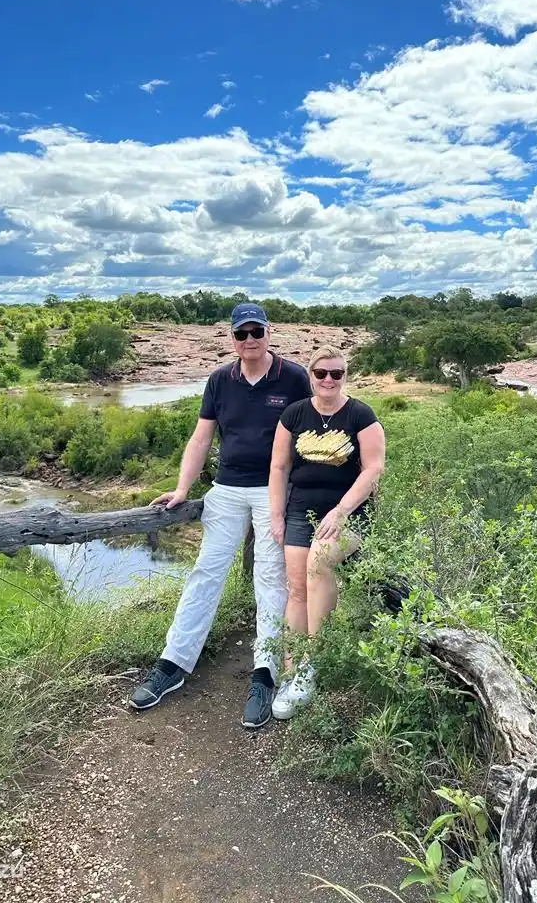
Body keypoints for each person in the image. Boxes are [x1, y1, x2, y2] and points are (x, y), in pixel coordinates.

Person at [129, 303, 312, 729]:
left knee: (270, 577)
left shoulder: (294, 377)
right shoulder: (219, 380)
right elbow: (201, 437)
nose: (250, 340)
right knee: (206, 572)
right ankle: (173, 663)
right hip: (227, 488)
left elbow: (312, 429)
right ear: (232, 338)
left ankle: (264, 675)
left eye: (256, 331)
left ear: (270, 332)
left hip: (273, 490)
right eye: (241, 333)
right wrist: (182, 488)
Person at [268, 345, 385, 720]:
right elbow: (279, 467)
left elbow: (372, 470)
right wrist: (276, 514)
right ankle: (290, 670)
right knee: (297, 586)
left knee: (319, 563)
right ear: (311, 377)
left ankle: (312, 664)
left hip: (350, 512)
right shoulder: (294, 414)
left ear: (345, 376)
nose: (329, 380)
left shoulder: (360, 415)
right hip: (302, 509)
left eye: (337, 373)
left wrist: (340, 511)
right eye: (321, 374)